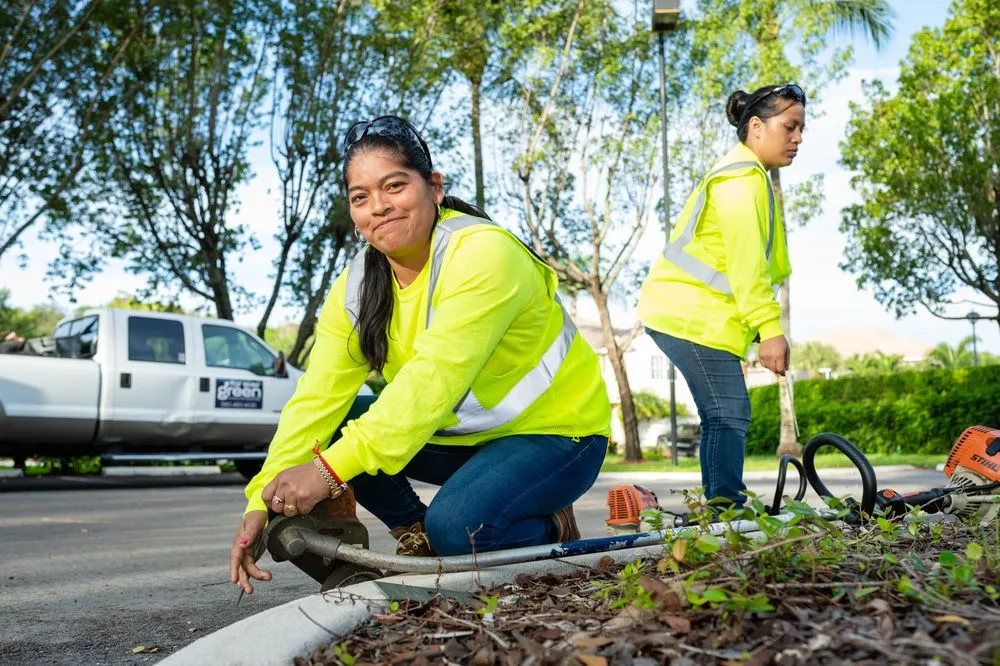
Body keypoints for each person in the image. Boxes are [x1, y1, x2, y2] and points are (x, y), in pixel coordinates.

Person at [230, 116, 611, 596]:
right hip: (463, 440)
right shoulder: (355, 288)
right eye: (360, 197)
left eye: (394, 186)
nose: (379, 207)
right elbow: (315, 399)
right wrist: (259, 500)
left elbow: (429, 384)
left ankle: (547, 525)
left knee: (461, 530)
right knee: (334, 426)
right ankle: (418, 535)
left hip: (557, 436)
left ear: (433, 187)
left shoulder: (483, 253)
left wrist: (328, 473)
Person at [638, 84, 806, 508]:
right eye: (790, 127)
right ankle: (724, 513)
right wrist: (770, 330)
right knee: (728, 412)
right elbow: (746, 267)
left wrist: (755, 330)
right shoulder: (740, 182)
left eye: (801, 129)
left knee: (726, 412)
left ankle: (722, 510)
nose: (798, 138)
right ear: (755, 127)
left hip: (696, 315)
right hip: (687, 314)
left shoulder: (747, 176)